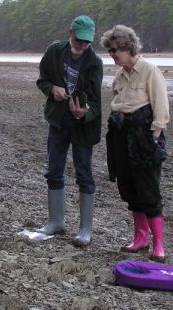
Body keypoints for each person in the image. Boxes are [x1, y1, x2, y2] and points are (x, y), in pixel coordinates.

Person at [100, 25, 170, 262]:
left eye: (114, 50)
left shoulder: (150, 70)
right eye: (109, 51)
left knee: (148, 189)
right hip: (121, 136)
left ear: (127, 47)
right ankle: (140, 238)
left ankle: (159, 245)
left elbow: (161, 106)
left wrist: (154, 136)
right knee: (129, 188)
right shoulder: (120, 75)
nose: (112, 55)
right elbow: (117, 102)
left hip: (144, 138)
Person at [36, 16, 103, 247]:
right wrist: (52, 88)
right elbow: (42, 80)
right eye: (79, 39)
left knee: (84, 173)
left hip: (83, 127)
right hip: (58, 121)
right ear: (70, 32)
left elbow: (95, 102)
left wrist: (84, 112)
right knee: (54, 170)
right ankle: (56, 221)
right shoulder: (54, 51)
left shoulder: (95, 62)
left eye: (87, 41)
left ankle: (85, 230)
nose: (82, 45)